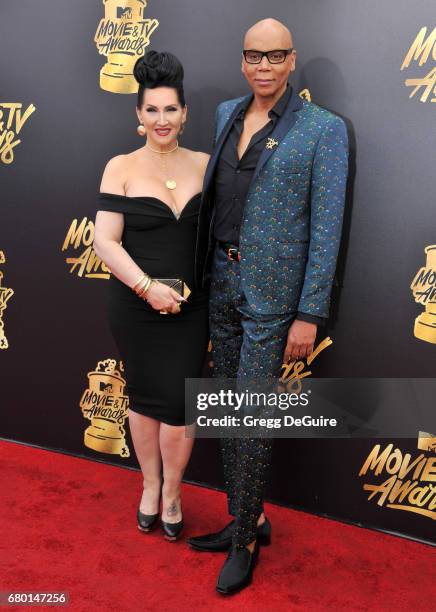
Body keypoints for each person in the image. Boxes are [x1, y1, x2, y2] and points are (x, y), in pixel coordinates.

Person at [189, 18, 349, 593]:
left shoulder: (322, 130)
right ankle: (249, 516)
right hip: (221, 282)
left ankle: (245, 543)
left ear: (291, 60)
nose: (263, 66)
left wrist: (310, 312)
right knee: (229, 409)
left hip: (275, 295)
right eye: (254, 55)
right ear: (242, 61)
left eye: (275, 56)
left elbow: (326, 230)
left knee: (251, 415)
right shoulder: (226, 112)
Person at [93, 50, 210, 542]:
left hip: (191, 309)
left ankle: (173, 494)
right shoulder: (119, 166)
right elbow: (104, 242)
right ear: (138, 116)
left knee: (181, 403)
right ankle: (149, 484)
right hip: (136, 307)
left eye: (171, 109)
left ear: (185, 114)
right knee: (143, 398)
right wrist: (147, 288)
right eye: (152, 110)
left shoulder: (206, 165)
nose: (162, 119)